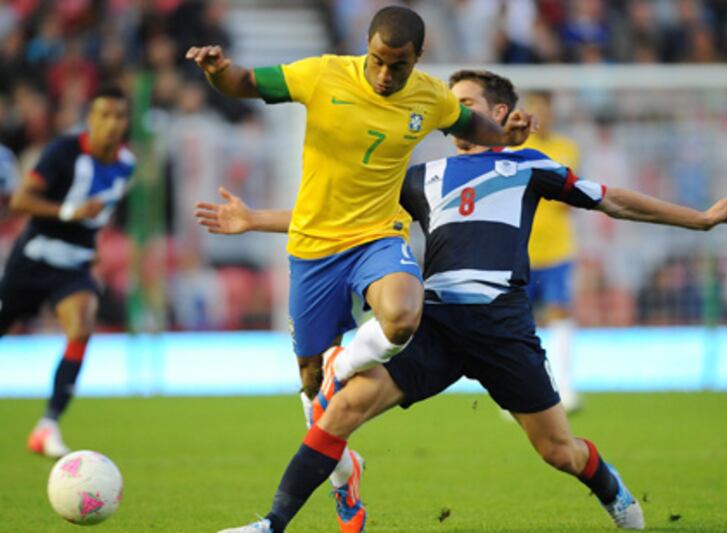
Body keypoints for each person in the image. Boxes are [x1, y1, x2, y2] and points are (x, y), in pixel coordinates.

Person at [196, 70, 727, 532]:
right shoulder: (421, 176)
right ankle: (271, 524)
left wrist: (697, 219)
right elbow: (336, 220)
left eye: (465, 104)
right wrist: (253, 220)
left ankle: (610, 487)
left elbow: (613, 200)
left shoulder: (532, 165)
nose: (453, 113)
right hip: (434, 324)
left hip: (502, 329)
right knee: (340, 411)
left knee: (559, 452)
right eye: (450, 105)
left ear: (498, 111)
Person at [187, 6, 531, 531]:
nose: (386, 75)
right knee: (309, 384)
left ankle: (343, 367)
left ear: (418, 59)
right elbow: (246, 82)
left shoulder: (431, 97)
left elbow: (473, 124)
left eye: (398, 66)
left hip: (378, 236)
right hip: (313, 247)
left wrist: (506, 134)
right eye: (377, 61)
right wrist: (216, 71)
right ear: (365, 48)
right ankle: (344, 473)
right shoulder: (322, 73)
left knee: (401, 316)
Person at [0, 86, 135, 458]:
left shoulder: (126, 165)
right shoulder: (63, 151)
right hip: (32, 260)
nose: (111, 123)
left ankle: (48, 426)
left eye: (119, 116)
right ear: (90, 120)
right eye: (104, 115)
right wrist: (68, 212)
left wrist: (90, 247)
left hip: (73, 265)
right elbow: (21, 200)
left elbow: (99, 214)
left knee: (82, 325)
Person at [518, 90, 582, 412]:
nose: (539, 119)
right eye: (534, 112)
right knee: (518, 320)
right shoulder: (515, 150)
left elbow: (572, 200)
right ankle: (515, 390)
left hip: (557, 249)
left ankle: (565, 388)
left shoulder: (567, 149)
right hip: (519, 251)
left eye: (544, 112)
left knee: (560, 314)